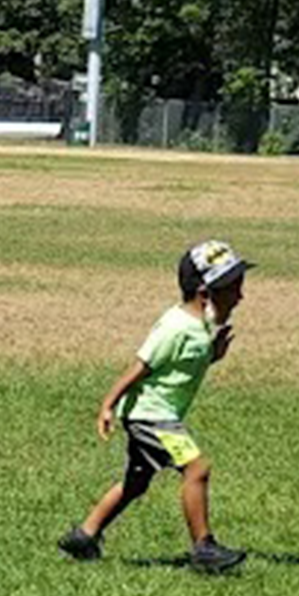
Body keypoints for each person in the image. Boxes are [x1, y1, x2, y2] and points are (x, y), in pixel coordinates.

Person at [59, 240, 251, 573]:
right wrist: (107, 404)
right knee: (197, 468)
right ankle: (204, 548)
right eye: (232, 288)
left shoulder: (200, 325)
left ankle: (84, 535)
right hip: (152, 417)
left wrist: (212, 355)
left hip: (156, 414)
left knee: (136, 483)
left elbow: (181, 365)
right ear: (205, 293)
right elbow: (140, 366)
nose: (240, 296)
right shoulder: (175, 327)